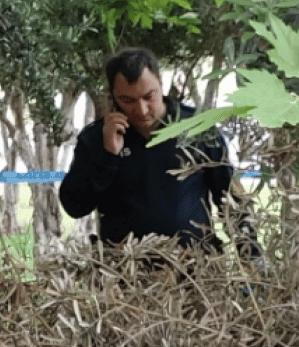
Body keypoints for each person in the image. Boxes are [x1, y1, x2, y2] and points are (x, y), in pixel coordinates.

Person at [59, 47, 257, 254]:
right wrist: (108, 155)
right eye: (128, 101)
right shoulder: (95, 138)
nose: (142, 109)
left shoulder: (199, 128)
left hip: (195, 270)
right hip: (124, 273)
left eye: (148, 96)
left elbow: (231, 200)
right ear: (113, 96)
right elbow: (75, 206)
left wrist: (252, 258)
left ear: (160, 82)